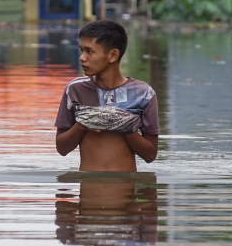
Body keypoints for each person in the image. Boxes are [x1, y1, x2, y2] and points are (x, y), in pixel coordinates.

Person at [54, 20, 159, 172]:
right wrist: (83, 124)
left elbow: (150, 155)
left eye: (89, 52)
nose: (82, 57)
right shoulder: (75, 89)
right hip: (88, 188)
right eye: (82, 50)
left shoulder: (143, 93)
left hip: (125, 190)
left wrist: (125, 126)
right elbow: (61, 148)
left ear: (112, 55)